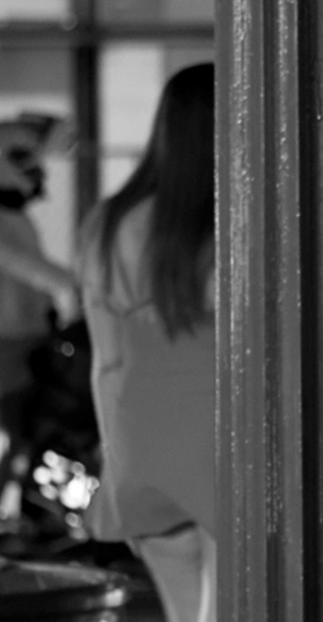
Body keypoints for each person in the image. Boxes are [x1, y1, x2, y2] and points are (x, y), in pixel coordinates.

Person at [76, 63, 216, 622]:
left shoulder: (110, 225)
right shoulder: (242, 222)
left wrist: (118, 462)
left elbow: (105, 362)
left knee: (183, 615)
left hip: (142, 438)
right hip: (225, 441)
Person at [0, 116, 80, 529]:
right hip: (8, 347)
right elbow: (40, 274)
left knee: (23, 437)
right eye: (19, 156)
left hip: (25, 344)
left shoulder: (17, 218)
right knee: (10, 438)